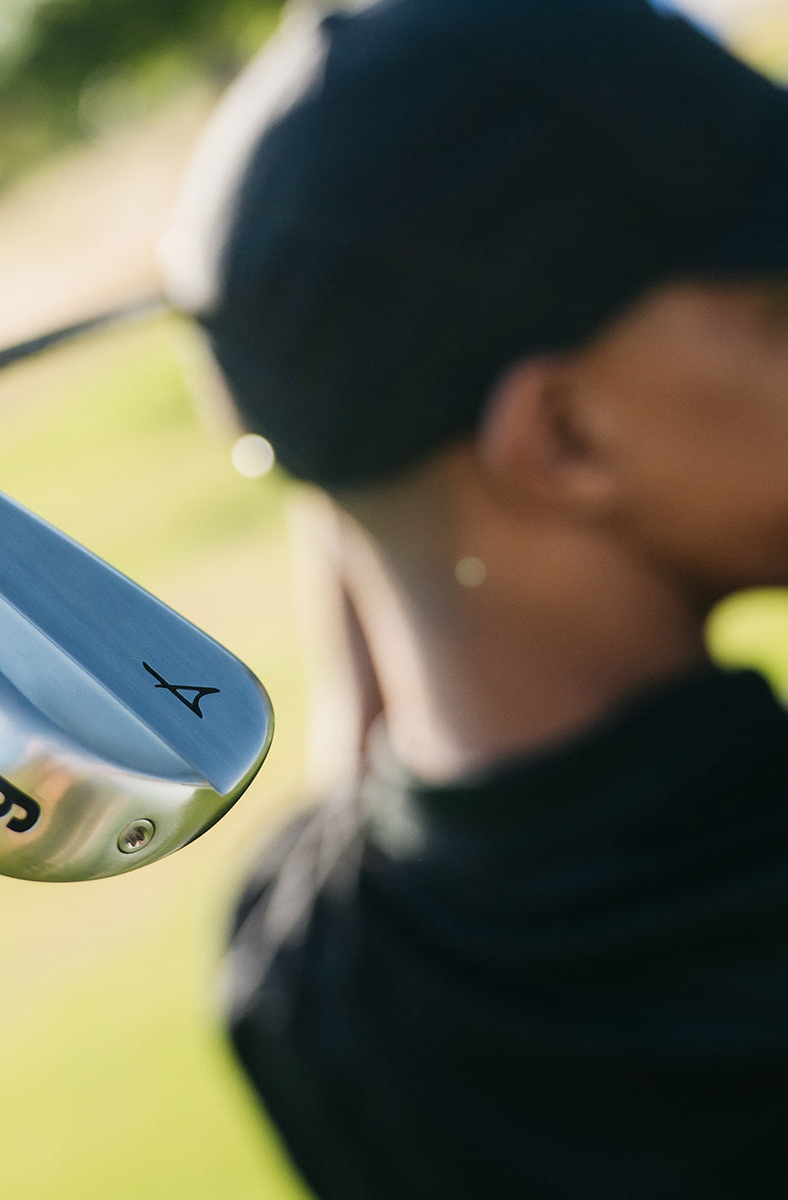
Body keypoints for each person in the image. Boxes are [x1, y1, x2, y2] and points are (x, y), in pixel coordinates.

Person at [159, 0, 788, 1196]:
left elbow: (375, 667)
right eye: (781, 304)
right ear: (566, 437)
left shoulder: (307, 976)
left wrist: (317, 369)